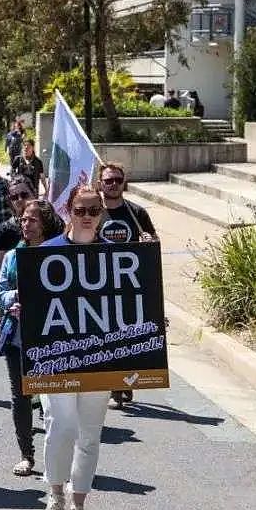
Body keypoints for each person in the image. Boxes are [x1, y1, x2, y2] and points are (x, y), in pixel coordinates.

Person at [38, 184, 113, 510]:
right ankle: (55, 497)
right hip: (56, 358)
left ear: (101, 213)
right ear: (68, 210)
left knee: (89, 435)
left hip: (99, 359)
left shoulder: (115, 255)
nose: (86, 217)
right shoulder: (47, 252)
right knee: (61, 426)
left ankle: (79, 506)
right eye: (80, 210)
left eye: (93, 210)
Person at [0, 199, 59, 477]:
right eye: (23, 220)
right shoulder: (11, 257)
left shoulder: (56, 255)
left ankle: (57, 458)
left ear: (45, 223)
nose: (26, 224)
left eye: (32, 220)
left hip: (51, 336)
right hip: (17, 336)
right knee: (20, 396)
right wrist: (13, 299)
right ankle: (26, 454)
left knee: (53, 398)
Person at [97, 160, 157, 409]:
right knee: (107, 335)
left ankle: (123, 383)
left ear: (124, 183)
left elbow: (154, 244)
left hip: (130, 286)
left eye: (117, 180)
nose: (113, 185)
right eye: (108, 180)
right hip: (100, 283)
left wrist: (149, 241)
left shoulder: (137, 213)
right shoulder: (93, 212)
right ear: (100, 183)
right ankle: (115, 387)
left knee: (127, 336)